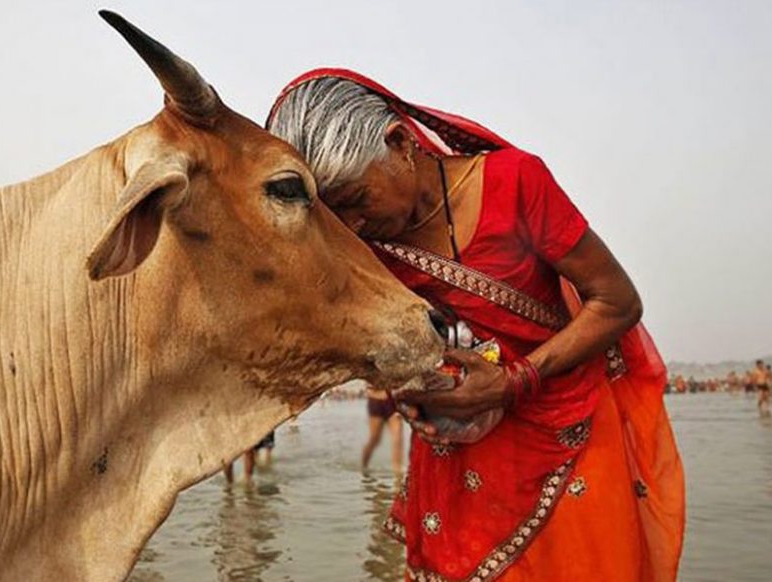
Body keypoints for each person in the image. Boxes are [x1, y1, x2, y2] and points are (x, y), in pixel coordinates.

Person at [267, 70, 684, 581]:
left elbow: (617, 302)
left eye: (356, 201)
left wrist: (512, 383)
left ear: (399, 143)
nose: (352, 227)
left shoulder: (515, 184)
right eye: (338, 216)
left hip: (568, 421)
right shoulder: (369, 248)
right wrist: (414, 390)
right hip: (462, 444)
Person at [363, 386, 405, 474]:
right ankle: (364, 466)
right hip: (376, 400)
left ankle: (398, 472)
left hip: (393, 402)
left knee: (398, 438)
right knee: (374, 439)